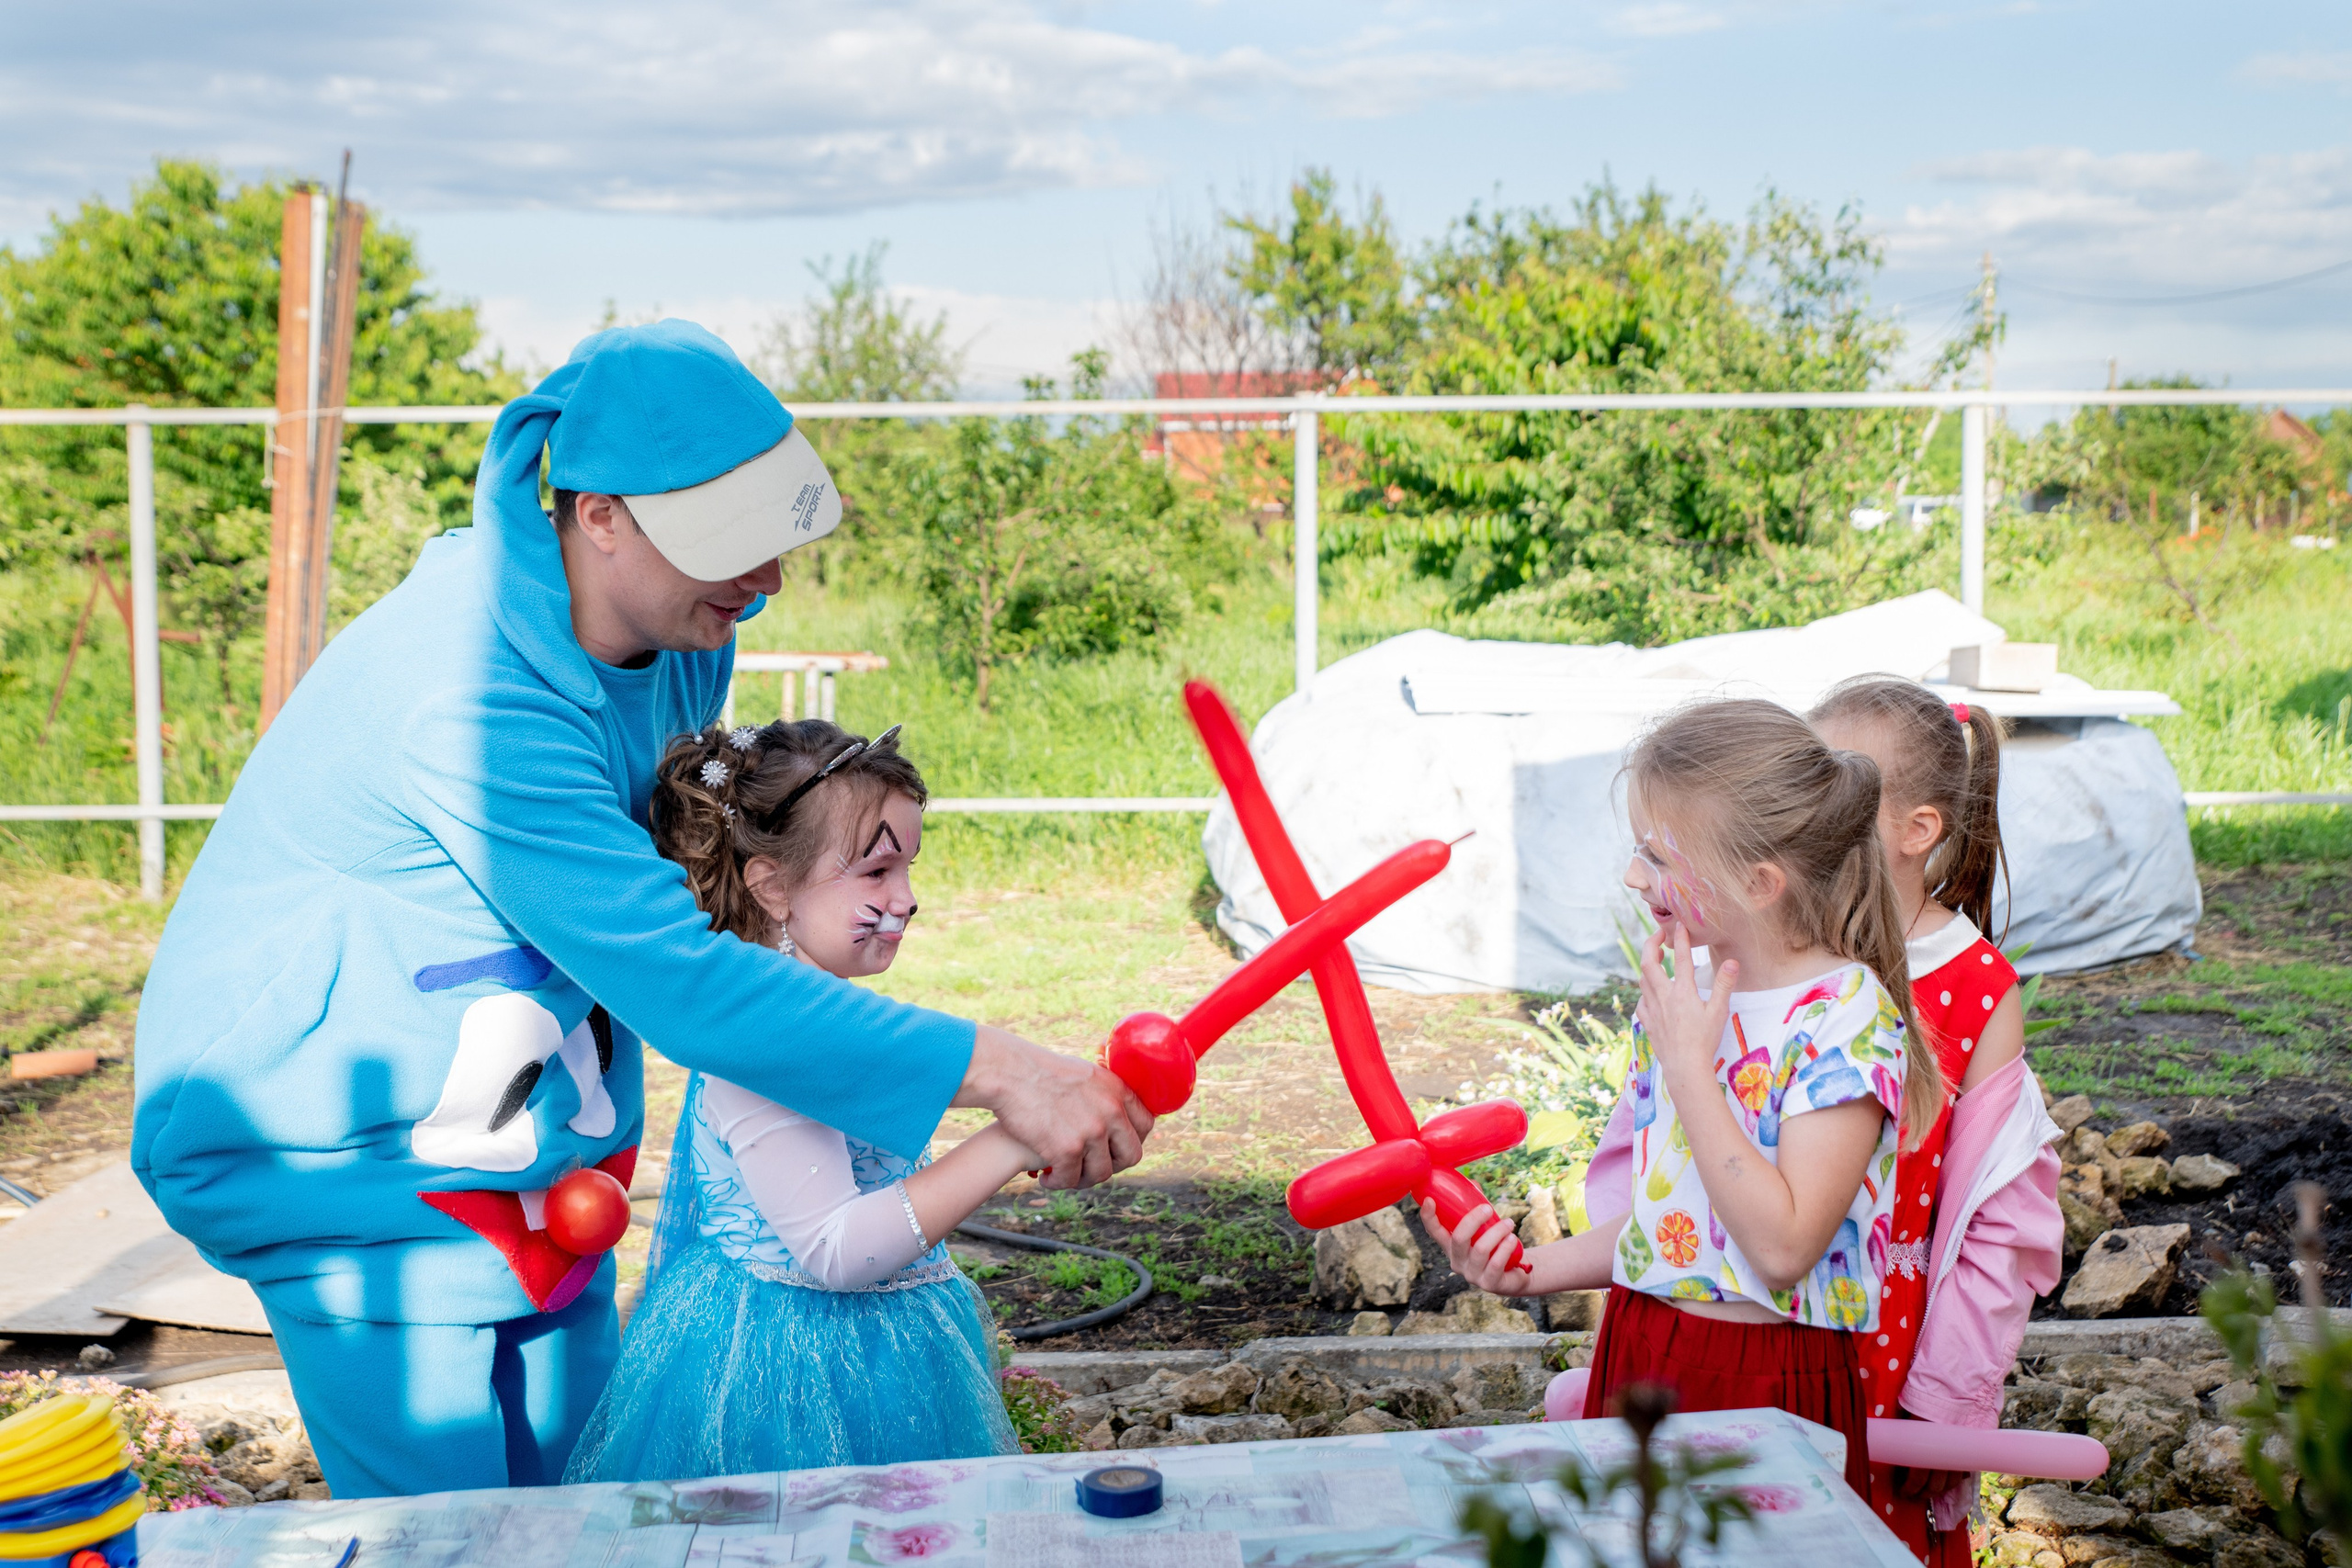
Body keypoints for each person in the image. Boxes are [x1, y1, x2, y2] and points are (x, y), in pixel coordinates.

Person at [131, 321, 1149, 1500]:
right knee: (452, 1529)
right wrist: (1008, 1073)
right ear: (598, 513)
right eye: (731, 546)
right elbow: (678, 977)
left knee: (597, 1503)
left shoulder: (675, 641)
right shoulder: (462, 696)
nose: (766, 583)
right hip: (340, 1148)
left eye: (777, 545)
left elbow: (677, 885)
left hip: (534, 1146)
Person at [1422, 699, 1938, 1496]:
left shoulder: (1845, 1014)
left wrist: (1692, 1068)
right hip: (1641, 1347)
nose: (1635, 877)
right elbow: (1674, 1225)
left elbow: (1781, 1248)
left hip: (1769, 1379)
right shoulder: (1679, 992)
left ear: (1760, 881)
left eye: (1657, 856)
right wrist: (1527, 1269)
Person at [568, 719, 1034, 1482]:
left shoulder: (828, 1015)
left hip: (888, 1348)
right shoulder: (760, 1046)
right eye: (877, 871)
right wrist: (1014, 1140)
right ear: (773, 886)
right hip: (777, 1373)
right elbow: (838, 1249)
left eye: (910, 868)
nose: (907, 899)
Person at [1811, 677, 2064, 1563]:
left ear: (1918, 830)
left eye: (1837, 797)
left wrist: (1949, 1400)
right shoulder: (1778, 949)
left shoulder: (1975, 988)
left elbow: (2002, 1218)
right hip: (1754, 1333)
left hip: (1888, 1358)